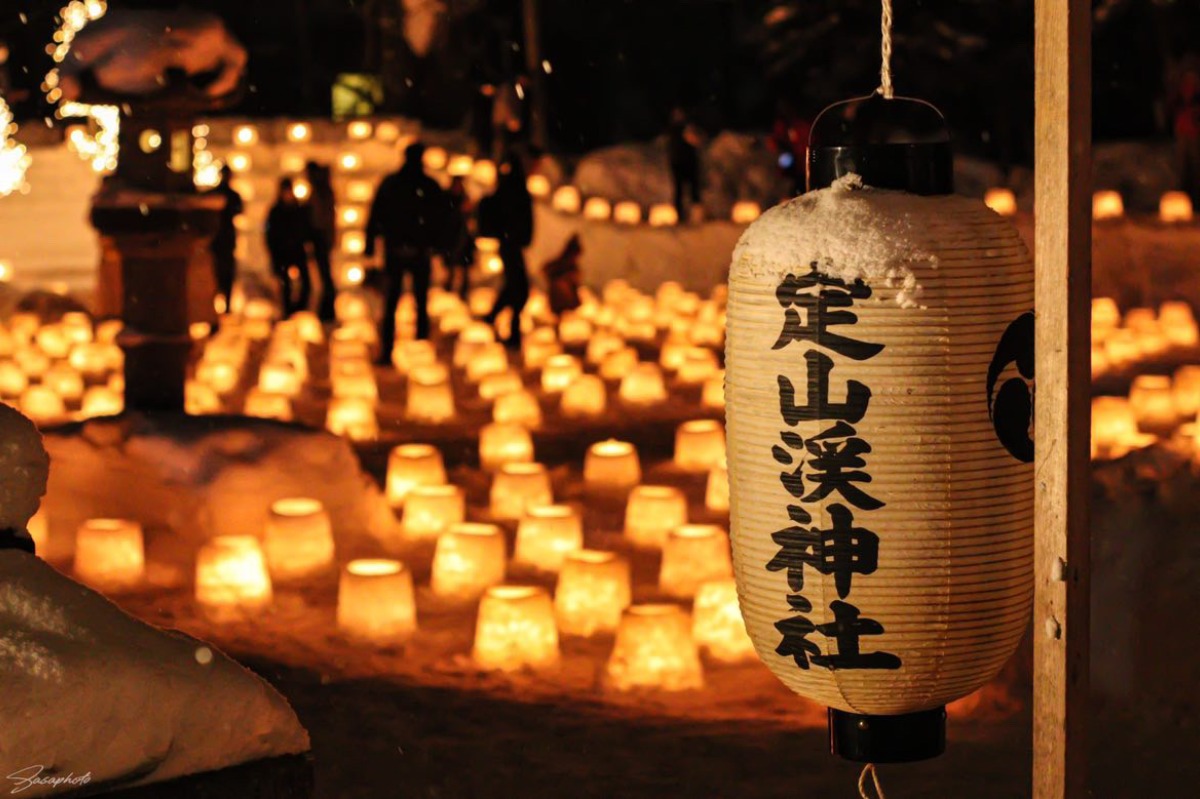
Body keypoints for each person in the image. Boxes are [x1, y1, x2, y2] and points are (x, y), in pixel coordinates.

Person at [365, 141, 452, 360]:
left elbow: (376, 215)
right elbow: (440, 219)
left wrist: (371, 245)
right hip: (416, 249)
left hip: (398, 248)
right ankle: (418, 347)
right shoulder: (427, 186)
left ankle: (389, 350)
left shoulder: (393, 184)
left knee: (394, 300)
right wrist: (439, 246)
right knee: (418, 301)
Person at [479, 154, 534, 349]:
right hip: (510, 244)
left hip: (510, 244)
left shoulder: (508, 190)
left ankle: (496, 317)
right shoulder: (513, 192)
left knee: (514, 286)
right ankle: (510, 328)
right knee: (519, 287)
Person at [265, 177, 314, 318]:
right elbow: (270, 234)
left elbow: (306, 230)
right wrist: (274, 252)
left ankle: (299, 310)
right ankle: (288, 313)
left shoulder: (299, 209)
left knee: (306, 284)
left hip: (298, 251)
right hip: (282, 253)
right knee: (285, 285)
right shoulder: (276, 212)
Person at [304, 161, 338, 322]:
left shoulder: (320, 192)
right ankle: (326, 309)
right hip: (323, 238)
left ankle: (327, 310)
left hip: (321, 238)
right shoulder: (323, 191)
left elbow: (320, 218)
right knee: (325, 275)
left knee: (325, 275)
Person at [209, 164, 243, 313]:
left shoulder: (218, 194)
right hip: (221, 239)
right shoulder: (229, 195)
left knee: (222, 273)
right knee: (219, 273)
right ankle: (221, 306)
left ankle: (223, 306)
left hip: (221, 239)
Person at [667, 107, 702, 220]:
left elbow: (696, 141)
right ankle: (680, 215)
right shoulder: (673, 130)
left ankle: (695, 215)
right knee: (679, 190)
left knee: (693, 189)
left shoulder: (688, 128)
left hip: (690, 163)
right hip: (678, 163)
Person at [443, 176, 475, 300]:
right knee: (451, 265)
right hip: (453, 237)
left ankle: (463, 292)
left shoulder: (464, 199)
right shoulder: (449, 200)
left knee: (463, 267)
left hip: (462, 237)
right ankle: (449, 291)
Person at [543, 235, 582, 316]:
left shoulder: (572, 266)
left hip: (568, 302)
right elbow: (545, 270)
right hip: (560, 301)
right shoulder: (560, 265)